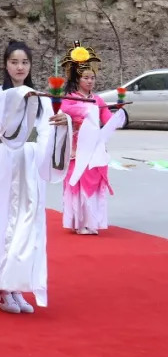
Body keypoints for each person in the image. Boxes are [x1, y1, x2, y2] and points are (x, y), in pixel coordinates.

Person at [0, 40, 71, 314]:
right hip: (7, 162)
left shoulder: (40, 99)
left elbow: (47, 134)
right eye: (14, 62)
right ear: (5, 64)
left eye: (24, 62)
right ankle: (3, 289)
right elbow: (6, 124)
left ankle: (16, 285)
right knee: (4, 222)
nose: (19, 67)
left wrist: (64, 125)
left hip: (30, 164)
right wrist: (26, 96)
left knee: (28, 225)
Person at [60, 41, 124, 235]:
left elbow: (109, 120)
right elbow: (65, 112)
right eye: (86, 77)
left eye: (92, 78)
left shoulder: (98, 100)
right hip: (77, 149)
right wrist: (86, 112)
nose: (90, 81)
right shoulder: (70, 98)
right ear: (77, 78)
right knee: (78, 184)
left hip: (95, 149)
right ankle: (79, 222)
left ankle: (93, 221)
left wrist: (120, 114)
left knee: (94, 185)